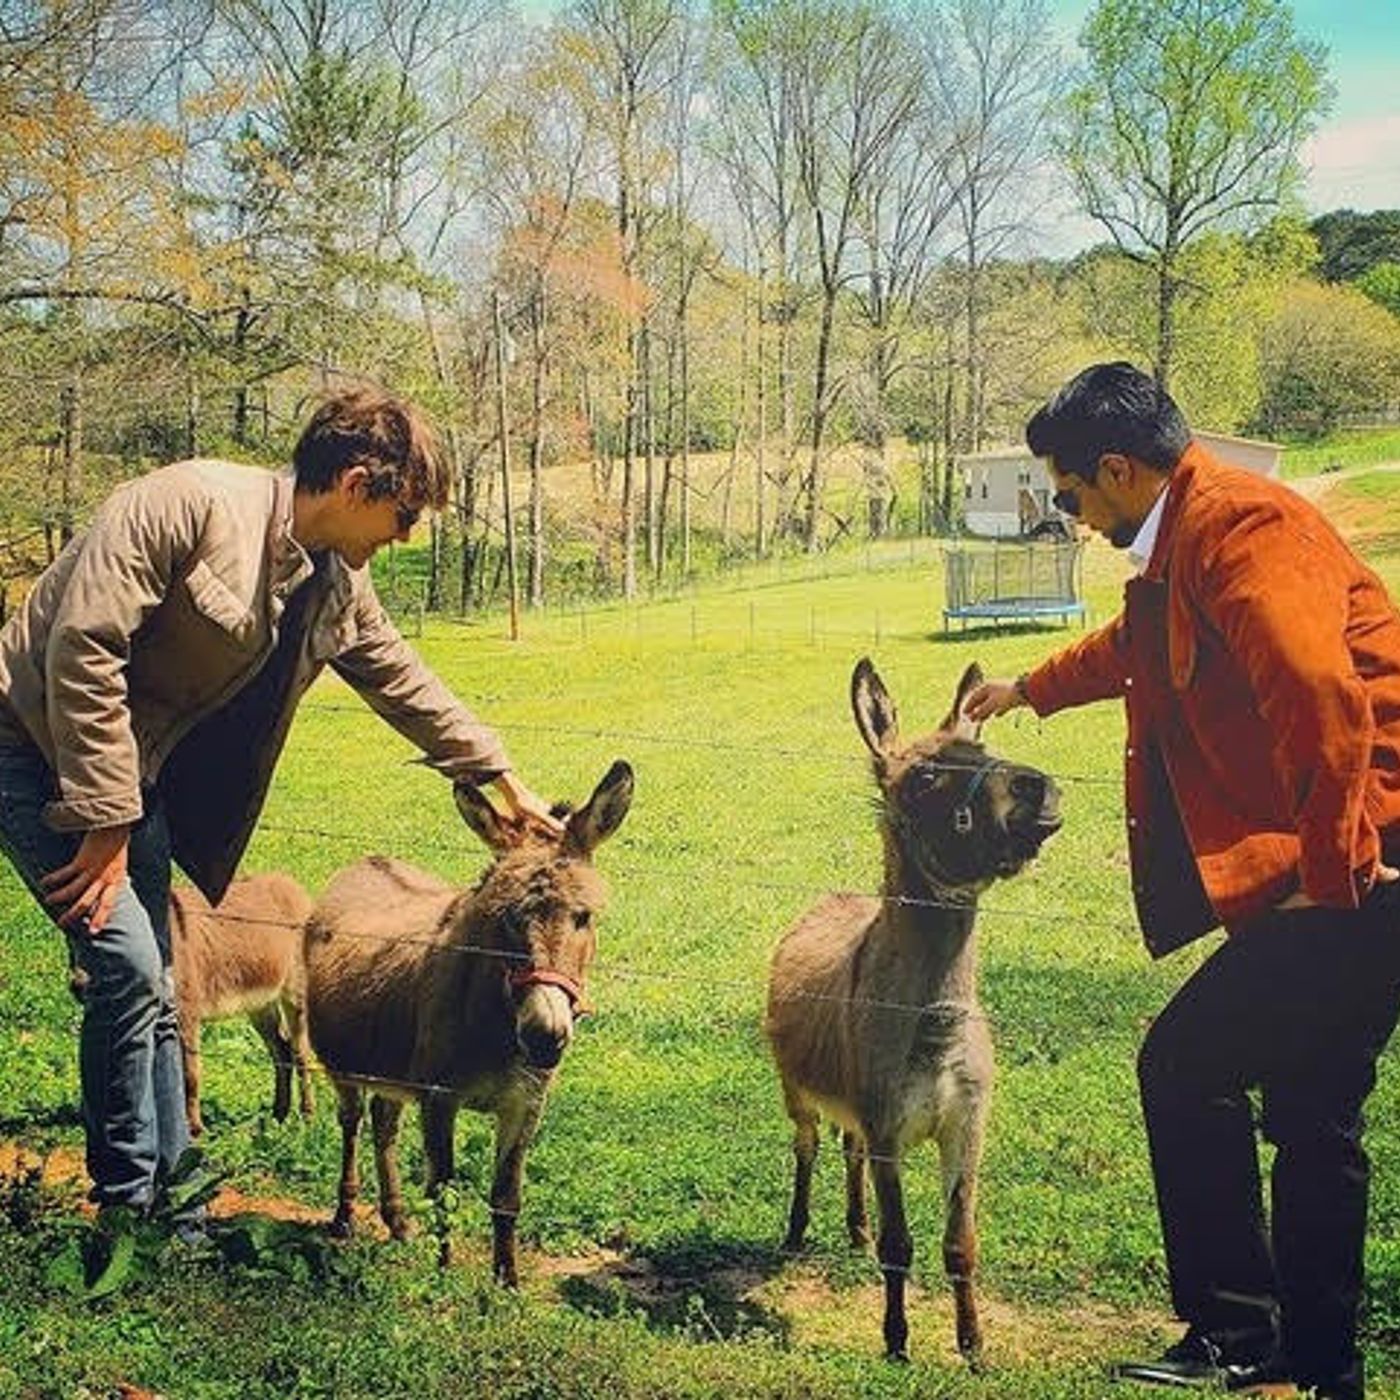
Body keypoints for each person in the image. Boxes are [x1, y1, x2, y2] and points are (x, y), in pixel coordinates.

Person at [0, 386, 560, 1261]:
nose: (406, 534)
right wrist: (104, 821)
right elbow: (82, 648)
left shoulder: (334, 578)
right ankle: (123, 1214)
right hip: (31, 744)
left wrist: (495, 771)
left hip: (129, 769)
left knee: (158, 989)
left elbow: (399, 676)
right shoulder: (185, 505)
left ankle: (173, 1213)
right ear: (353, 479)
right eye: (402, 511)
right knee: (126, 973)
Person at [964, 362, 1400, 1400]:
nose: (1068, 516)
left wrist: (1327, 874)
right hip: (1362, 869)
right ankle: (1316, 1365)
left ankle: (1233, 1331)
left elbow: (1320, 702)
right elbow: (1134, 646)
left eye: (1068, 496)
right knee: (1309, 1112)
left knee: (1183, 1065)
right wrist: (1024, 688)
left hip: (1364, 868)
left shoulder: (1242, 531)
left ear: (1115, 470)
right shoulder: (1184, 544)